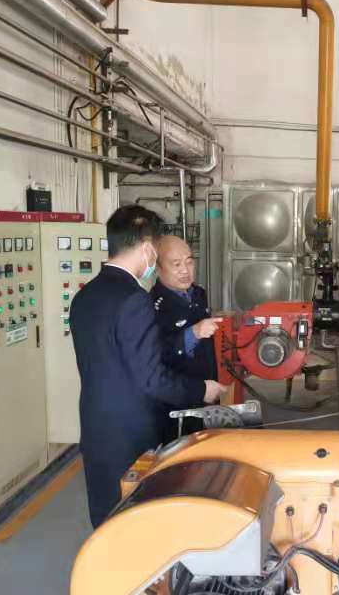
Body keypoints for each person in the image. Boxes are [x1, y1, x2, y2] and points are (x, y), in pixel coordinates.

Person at [70, 205, 224, 528]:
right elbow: (152, 378)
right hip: (131, 435)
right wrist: (201, 390)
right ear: (147, 249)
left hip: (97, 429)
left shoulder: (85, 296)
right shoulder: (135, 300)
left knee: (106, 518)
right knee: (135, 520)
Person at [151, 235, 222, 440]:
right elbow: (157, 356)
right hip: (177, 405)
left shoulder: (198, 294)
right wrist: (193, 333)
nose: (185, 270)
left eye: (189, 262)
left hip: (207, 395)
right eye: (176, 264)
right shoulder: (152, 306)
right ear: (158, 269)